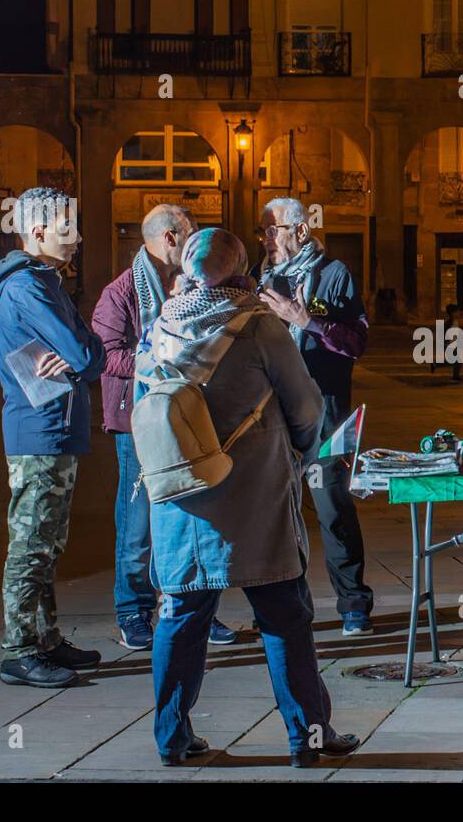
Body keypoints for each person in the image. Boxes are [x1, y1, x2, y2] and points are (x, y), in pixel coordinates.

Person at [146, 227, 358, 767]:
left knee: (181, 617)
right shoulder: (260, 325)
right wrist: (304, 452)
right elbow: (307, 408)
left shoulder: (164, 324)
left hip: (184, 495)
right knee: (285, 616)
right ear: (240, 268)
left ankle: (171, 740)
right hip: (255, 497)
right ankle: (307, 738)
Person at [0, 187, 106, 688]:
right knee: (31, 541)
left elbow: (81, 353)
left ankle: (46, 637)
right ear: (38, 232)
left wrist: (79, 358)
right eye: (68, 228)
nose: (78, 238)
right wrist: (80, 358)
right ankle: (20, 650)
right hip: (40, 429)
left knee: (48, 542)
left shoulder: (45, 281)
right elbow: (86, 353)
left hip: (56, 425)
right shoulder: (28, 287)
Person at [92, 203, 237, 650]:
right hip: (138, 421)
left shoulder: (192, 286)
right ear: (170, 238)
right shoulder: (121, 293)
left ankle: (193, 608)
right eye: (190, 233)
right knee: (137, 523)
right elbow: (106, 354)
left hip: (188, 415)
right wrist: (160, 355)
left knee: (192, 517)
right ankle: (132, 612)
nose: (195, 243)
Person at [252, 197, 376, 637]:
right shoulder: (259, 279)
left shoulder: (333, 274)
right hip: (272, 414)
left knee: (332, 508)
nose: (267, 238)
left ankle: (353, 604)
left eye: (274, 229)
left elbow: (357, 342)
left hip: (325, 415)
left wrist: (305, 320)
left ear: (301, 231)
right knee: (273, 514)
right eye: (263, 231)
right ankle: (282, 607)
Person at [431, 303, 463, 382]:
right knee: (456, 361)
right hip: (450, 345)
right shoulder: (449, 323)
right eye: (457, 312)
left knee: (454, 361)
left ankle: (435, 364)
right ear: (452, 313)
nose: (459, 313)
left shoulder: (455, 321)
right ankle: (455, 376)